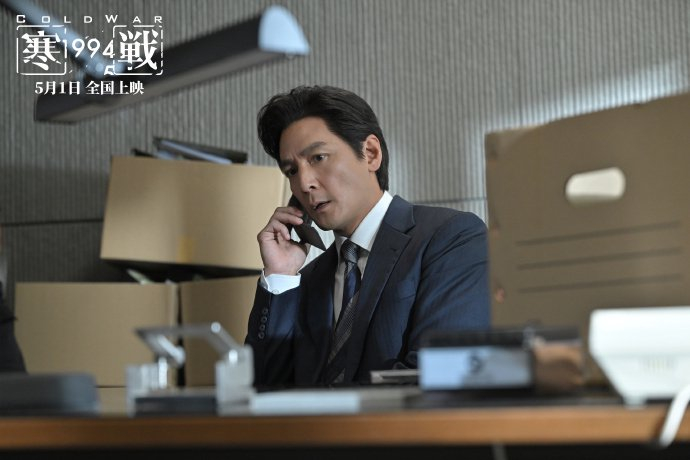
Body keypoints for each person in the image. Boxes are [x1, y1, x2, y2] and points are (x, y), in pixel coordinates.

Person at [245, 85, 489, 386]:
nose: (305, 183)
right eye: (292, 171)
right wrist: (280, 277)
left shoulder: (451, 238)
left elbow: (440, 374)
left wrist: (328, 411)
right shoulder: (303, 281)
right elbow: (263, 390)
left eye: (318, 158)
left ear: (371, 153)